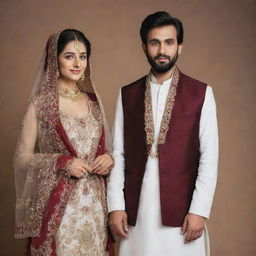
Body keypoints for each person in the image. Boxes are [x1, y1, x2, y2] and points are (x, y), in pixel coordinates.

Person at [107, 11, 218, 256]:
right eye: (154, 42)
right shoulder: (128, 94)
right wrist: (115, 206)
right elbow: (118, 154)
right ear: (144, 46)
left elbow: (208, 157)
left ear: (180, 47)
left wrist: (199, 210)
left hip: (181, 209)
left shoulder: (200, 93)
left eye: (169, 42)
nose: (162, 50)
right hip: (137, 208)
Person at [14, 29, 114, 255]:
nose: (77, 63)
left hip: (96, 208)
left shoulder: (94, 102)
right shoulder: (41, 105)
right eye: (69, 56)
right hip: (59, 209)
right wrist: (62, 162)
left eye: (83, 56)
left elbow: (103, 148)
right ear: (54, 58)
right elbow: (21, 159)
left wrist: (109, 158)